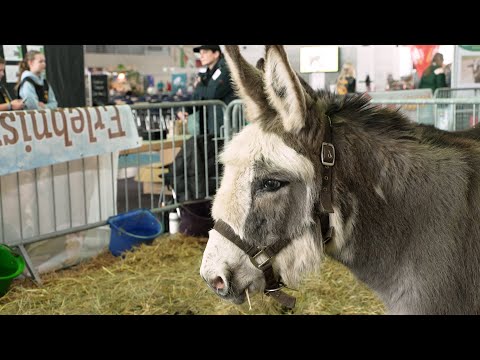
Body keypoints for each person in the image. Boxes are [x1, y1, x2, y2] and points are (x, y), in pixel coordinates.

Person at [188, 45, 237, 135]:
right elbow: (198, 97)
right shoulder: (205, 75)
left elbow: (213, 93)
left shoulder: (226, 69)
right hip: (210, 127)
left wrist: (198, 86)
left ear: (216, 54)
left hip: (224, 127)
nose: (201, 56)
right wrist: (186, 109)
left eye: (205, 52)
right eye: (200, 53)